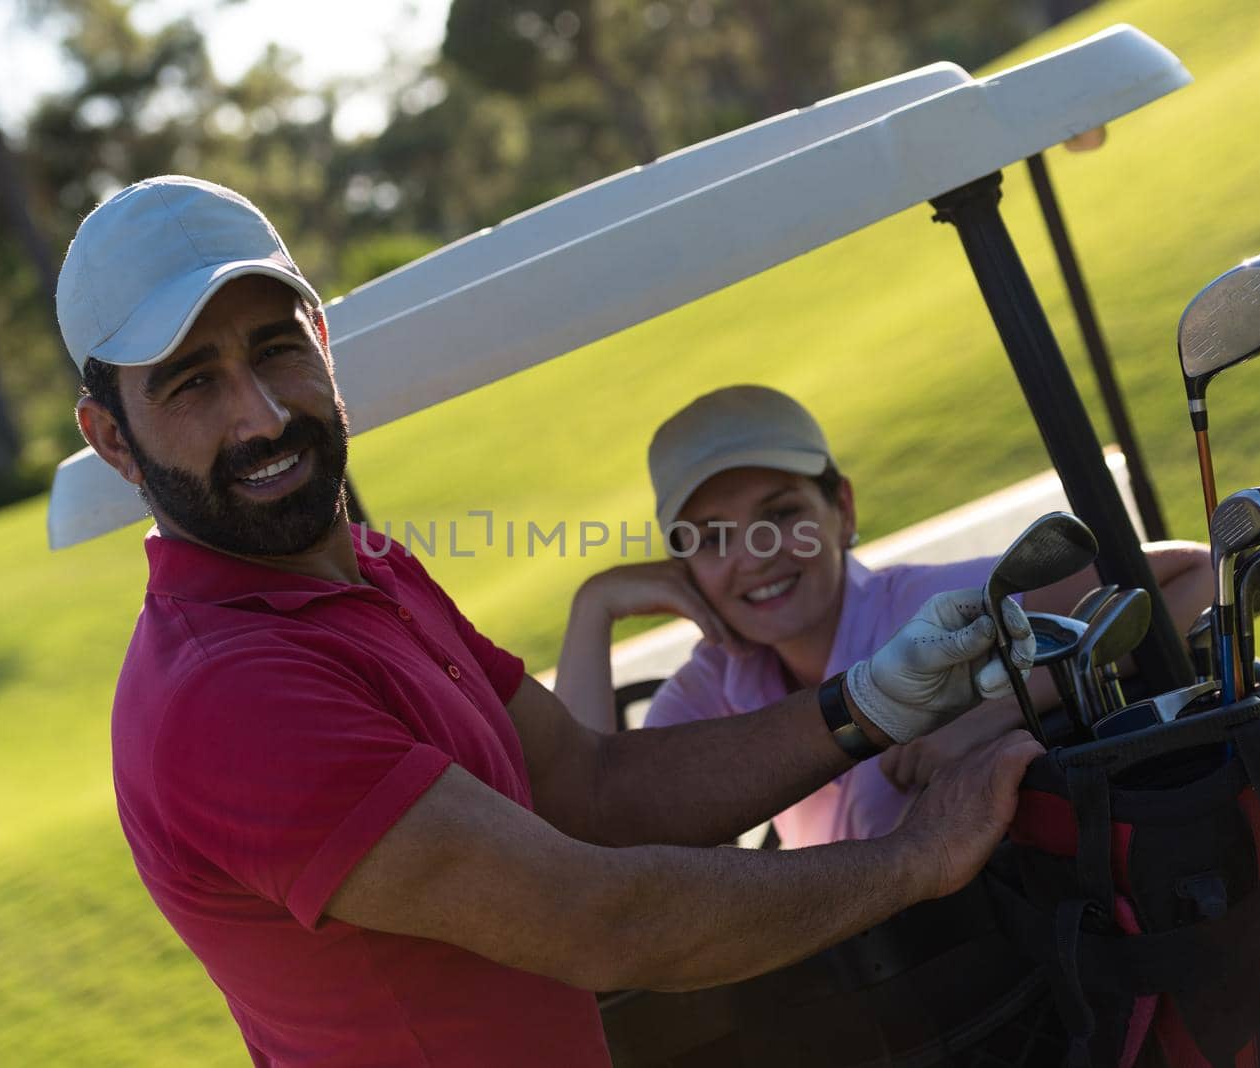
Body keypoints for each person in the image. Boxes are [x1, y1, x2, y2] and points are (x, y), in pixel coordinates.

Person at [62, 175, 1045, 1068]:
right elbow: (600, 919)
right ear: (112, 437)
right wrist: (914, 861)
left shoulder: (373, 575)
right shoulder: (230, 691)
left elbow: (591, 786)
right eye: (193, 383)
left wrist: (865, 703)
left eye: (275, 349)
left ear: (320, 342)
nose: (263, 417)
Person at [556, 385, 1213, 846]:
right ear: (685, 565)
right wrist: (595, 607)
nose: (755, 556)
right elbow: (590, 822)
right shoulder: (710, 689)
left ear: (841, 509)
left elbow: (1198, 572)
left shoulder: (930, 609)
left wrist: (998, 709)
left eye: (782, 516)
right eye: (713, 538)